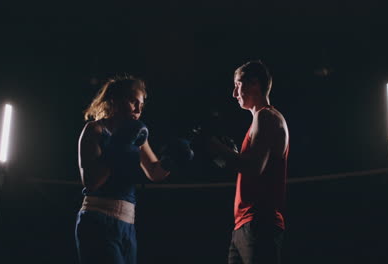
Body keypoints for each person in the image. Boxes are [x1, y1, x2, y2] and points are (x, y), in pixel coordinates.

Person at [75, 75, 192, 264]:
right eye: (132, 102)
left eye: (141, 105)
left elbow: (154, 172)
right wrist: (119, 145)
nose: (138, 110)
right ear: (115, 101)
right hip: (97, 221)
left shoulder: (137, 135)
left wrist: (172, 160)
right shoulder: (94, 130)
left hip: (127, 224)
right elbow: (91, 181)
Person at [208, 61, 289, 264]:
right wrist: (223, 154)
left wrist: (215, 146)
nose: (234, 93)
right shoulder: (257, 122)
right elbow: (246, 167)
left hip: (260, 221)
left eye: (237, 85)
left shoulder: (267, 117)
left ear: (254, 83)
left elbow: (253, 167)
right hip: (245, 224)